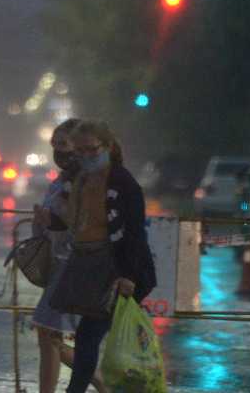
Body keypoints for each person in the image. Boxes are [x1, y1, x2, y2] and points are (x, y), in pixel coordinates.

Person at [63, 119, 157, 393]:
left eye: (91, 149)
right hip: (94, 268)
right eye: (79, 151)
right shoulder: (84, 179)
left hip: (118, 271)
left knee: (88, 336)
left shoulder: (122, 182)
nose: (85, 156)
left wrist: (128, 275)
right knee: (87, 337)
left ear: (107, 146)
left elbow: (135, 233)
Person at [31, 118, 108, 393]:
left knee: (49, 333)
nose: (59, 152)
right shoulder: (63, 179)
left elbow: (83, 221)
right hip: (61, 262)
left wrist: (53, 218)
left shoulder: (88, 180)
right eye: (54, 145)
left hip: (77, 264)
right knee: (48, 333)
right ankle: (98, 379)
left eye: (63, 144)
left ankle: (96, 379)